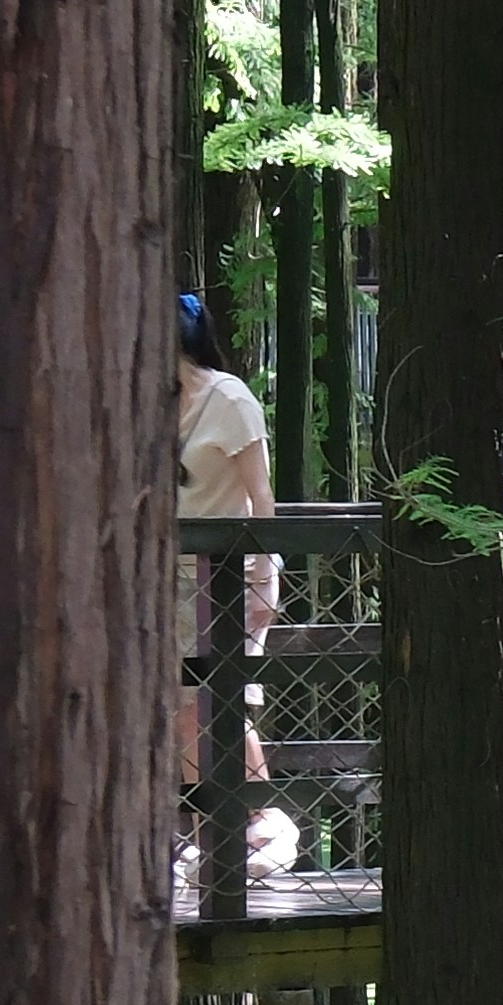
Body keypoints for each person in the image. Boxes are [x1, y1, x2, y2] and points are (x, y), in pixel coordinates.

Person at [175, 291, 291, 892]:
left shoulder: (231, 400)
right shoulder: (151, 406)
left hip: (231, 579)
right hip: (170, 581)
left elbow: (262, 499)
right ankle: (210, 836)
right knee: (176, 709)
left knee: (212, 702)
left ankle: (265, 821)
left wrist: (266, 573)